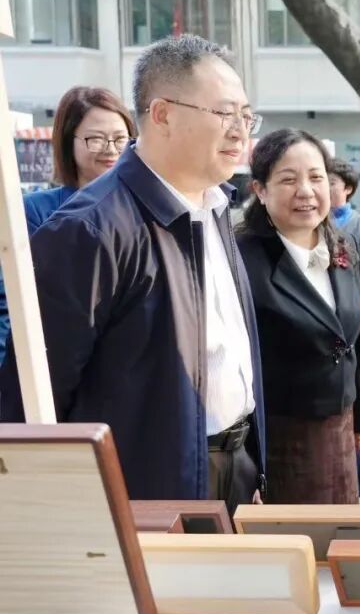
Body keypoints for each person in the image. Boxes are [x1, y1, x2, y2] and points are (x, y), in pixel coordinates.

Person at [0, 34, 267, 512]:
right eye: (225, 113)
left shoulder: (217, 207)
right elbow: (34, 396)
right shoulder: (91, 229)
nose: (240, 131)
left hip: (236, 466)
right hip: (147, 488)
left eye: (246, 116)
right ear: (162, 114)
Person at [237, 130, 360, 504]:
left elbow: (354, 345)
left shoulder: (342, 245)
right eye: (288, 179)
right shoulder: (241, 258)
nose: (306, 191)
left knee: (341, 534)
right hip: (279, 442)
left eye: (316, 177)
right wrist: (247, 466)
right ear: (260, 190)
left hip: (341, 433)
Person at [0, 86, 135, 367]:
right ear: (67, 141)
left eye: (120, 138)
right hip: (60, 363)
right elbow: (13, 303)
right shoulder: (37, 212)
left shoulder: (145, 208)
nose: (111, 149)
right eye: (95, 139)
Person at [327, 158, 360, 271]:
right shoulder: (314, 223)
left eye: (332, 183)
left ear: (348, 189)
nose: (326, 188)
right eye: (323, 183)